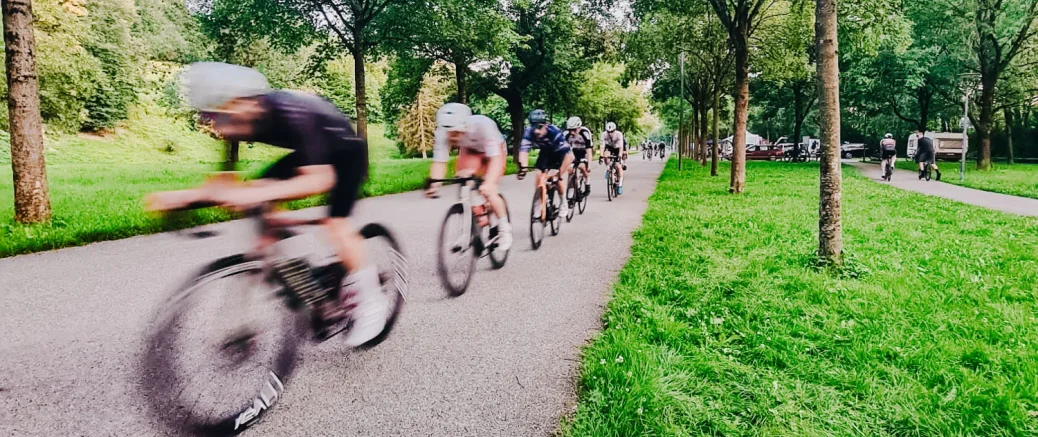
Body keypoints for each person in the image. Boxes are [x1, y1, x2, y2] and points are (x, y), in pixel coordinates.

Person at [145, 62, 390, 347]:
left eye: (216, 115)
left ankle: (372, 303)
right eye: (206, 116)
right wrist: (184, 197)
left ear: (242, 103)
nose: (215, 126)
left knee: (335, 224)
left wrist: (254, 194)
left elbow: (319, 180)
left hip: (346, 153)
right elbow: (226, 182)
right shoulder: (236, 123)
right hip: (311, 153)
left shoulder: (289, 111)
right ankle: (300, 278)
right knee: (261, 203)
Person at [426, 103, 512, 251]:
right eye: (448, 133)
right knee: (464, 180)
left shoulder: (483, 126)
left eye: (455, 133)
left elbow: (495, 159)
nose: (451, 138)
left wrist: (489, 183)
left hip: (494, 150)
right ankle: (467, 229)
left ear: (464, 126)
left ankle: (504, 229)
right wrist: (434, 184)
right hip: (471, 150)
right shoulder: (443, 132)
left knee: (488, 190)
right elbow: (440, 161)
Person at [518, 109, 574, 218]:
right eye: (534, 127)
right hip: (545, 152)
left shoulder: (555, 132)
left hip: (560, 154)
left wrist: (559, 174)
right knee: (539, 175)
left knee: (556, 179)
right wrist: (523, 168)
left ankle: (563, 202)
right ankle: (538, 202)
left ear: (546, 126)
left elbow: (570, 157)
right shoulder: (529, 131)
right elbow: (523, 151)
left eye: (539, 127)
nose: (536, 131)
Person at [565, 116, 593, 194]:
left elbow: (589, 151)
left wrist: (589, 165)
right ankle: (572, 190)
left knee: (581, 166)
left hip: (585, 151)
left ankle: (587, 181)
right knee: (570, 170)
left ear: (579, 127)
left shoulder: (585, 133)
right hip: (575, 151)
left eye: (574, 130)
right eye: (570, 130)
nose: (572, 132)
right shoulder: (566, 134)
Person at [600, 122, 626, 195]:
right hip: (609, 147)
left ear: (615, 130)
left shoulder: (619, 134)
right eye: (608, 132)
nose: (610, 133)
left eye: (612, 131)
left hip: (617, 148)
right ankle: (608, 168)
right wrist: (601, 155)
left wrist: (619, 156)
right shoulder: (604, 134)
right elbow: (602, 146)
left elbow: (621, 147)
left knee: (618, 166)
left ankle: (620, 185)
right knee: (606, 155)